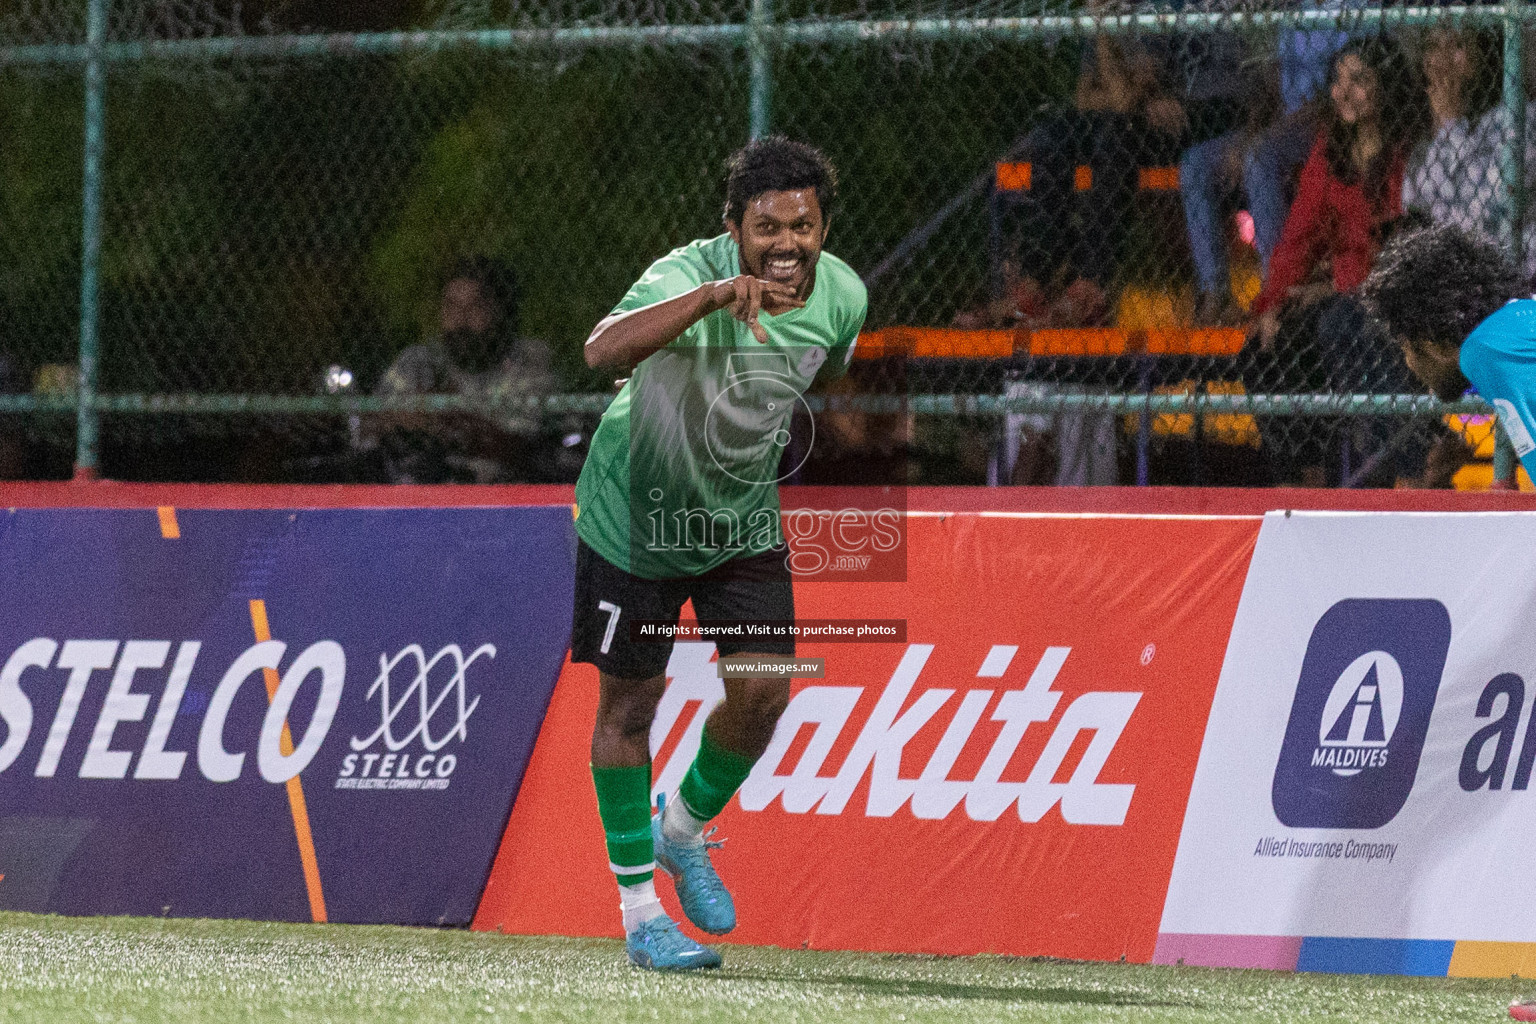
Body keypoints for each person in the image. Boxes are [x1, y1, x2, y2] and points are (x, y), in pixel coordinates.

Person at [572, 137, 866, 971]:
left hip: (739, 523)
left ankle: (683, 832)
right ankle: (638, 915)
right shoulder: (684, 274)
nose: (785, 242)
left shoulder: (843, 295)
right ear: (733, 229)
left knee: (767, 691)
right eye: (765, 226)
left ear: (823, 226)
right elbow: (600, 352)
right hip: (636, 517)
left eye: (802, 225)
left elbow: (809, 385)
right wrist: (707, 298)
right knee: (631, 710)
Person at [1248, 37, 1426, 484]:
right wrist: (1272, 301)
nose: (1344, 92)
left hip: (1390, 287)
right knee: (1260, 350)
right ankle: (1301, 477)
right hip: (1344, 285)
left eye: (1360, 80)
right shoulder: (1329, 150)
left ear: (1386, 86)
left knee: (1339, 323)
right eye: (1338, 80)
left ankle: (1402, 466)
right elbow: (1299, 235)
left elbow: (1397, 243)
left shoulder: (1408, 150)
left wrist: (1338, 282)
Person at [1180, 0, 1353, 324]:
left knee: (1260, 155)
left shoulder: (1353, 8)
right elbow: (1273, 88)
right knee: (1195, 163)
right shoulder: (1294, 8)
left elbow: (1334, 99)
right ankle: (1214, 292)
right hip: (1283, 129)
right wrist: (1251, 133)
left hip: (1329, 125)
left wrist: (1262, 139)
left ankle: (1274, 286)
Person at [1360, 224, 1532, 486]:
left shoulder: (1484, 351)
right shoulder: (1519, 320)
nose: (1408, 364)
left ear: (1436, 347)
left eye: (1406, 349)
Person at [371, 256, 560, 483]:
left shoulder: (527, 360)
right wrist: (405, 419)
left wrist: (452, 418)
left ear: (498, 311)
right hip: (420, 485)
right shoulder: (419, 360)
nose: (461, 318)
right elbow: (371, 423)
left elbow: (522, 446)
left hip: (498, 492)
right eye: (452, 306)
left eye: (475, 307)